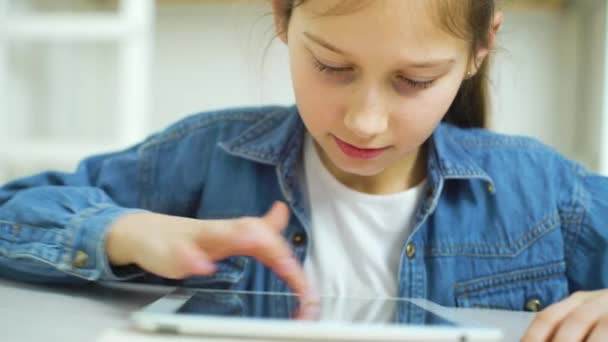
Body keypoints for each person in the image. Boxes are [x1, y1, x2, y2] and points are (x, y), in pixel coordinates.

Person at [0, 0, 607, 340]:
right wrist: (127, 232)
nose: (366, 122)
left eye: (415, 81)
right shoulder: (206, 157)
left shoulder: (544, 195)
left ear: (479, 50)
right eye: (332, 67)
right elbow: (12, 212)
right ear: (283, 18)